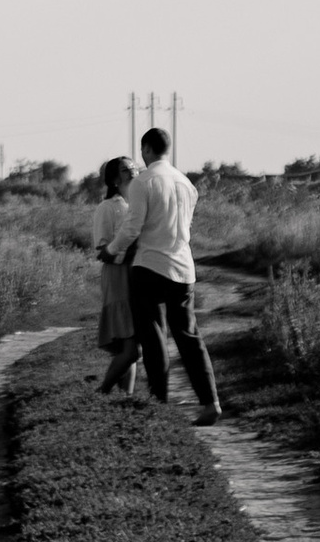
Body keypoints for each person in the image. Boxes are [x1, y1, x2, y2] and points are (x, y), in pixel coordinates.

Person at [104, 126, 222, 420]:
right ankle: (210, 402)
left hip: (150, 267)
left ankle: (159, 405)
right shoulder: (186, 184)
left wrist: (112, 250)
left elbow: (132, 227)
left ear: (146, 150)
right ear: (167, 150)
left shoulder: (143, 182)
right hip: (183, 268)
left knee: (154, 337)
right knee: (189, 336)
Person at [91, 155, 142, 395]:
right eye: (125, 169)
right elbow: (101, 250)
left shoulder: (140, 203)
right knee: (129, 347)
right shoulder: (108, 207)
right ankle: (103, 392)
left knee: (130, 349)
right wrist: (127, 254)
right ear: (113, 178)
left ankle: (125, 399)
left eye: (133, 167)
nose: (132, 171)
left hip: (140, 275)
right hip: (118, 275)